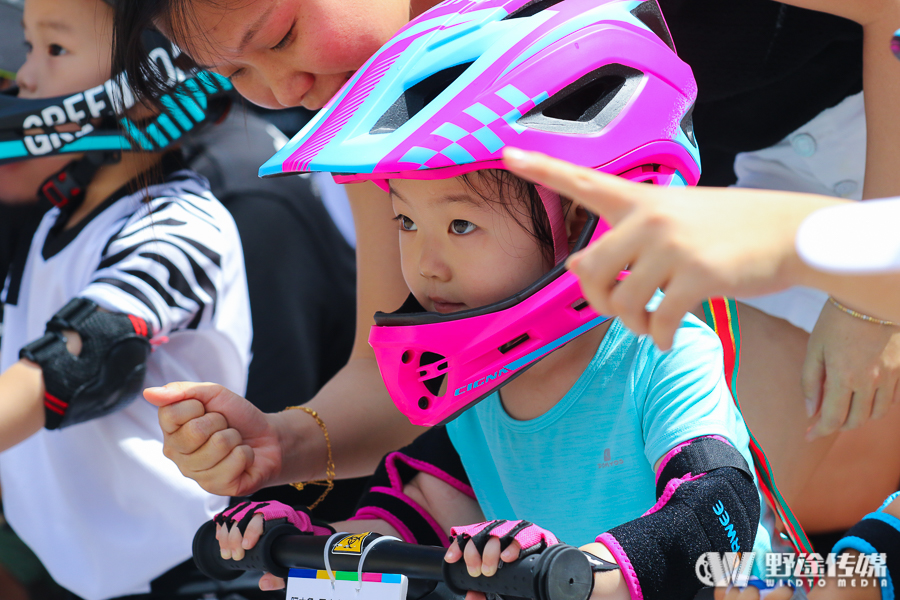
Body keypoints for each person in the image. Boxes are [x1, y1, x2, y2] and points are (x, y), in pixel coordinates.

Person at [113, 0, 900, 534]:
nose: (281, 89)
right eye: (236, 75)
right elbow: (406, 374)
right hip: (704, 204)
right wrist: (281, 442)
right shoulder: (368, 102)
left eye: (279, 35)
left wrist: (874, 299)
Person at [208, 7, 776, 600]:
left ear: (581, 222)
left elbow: (718, 511)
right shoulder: (473, 378)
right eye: (405, 220)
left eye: (458, 225)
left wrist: (580, 572)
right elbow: (419, 516)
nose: (426, 263)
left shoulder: (661, 350)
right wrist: (307, 560)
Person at [0, 0, 252, 598]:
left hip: (184, 574)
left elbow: (82, 360)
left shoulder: (180, 225)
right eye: (31, 47)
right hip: (76, 574)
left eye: (55, 50)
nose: (26, 77)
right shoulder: (55, 220)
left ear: (151, 79)